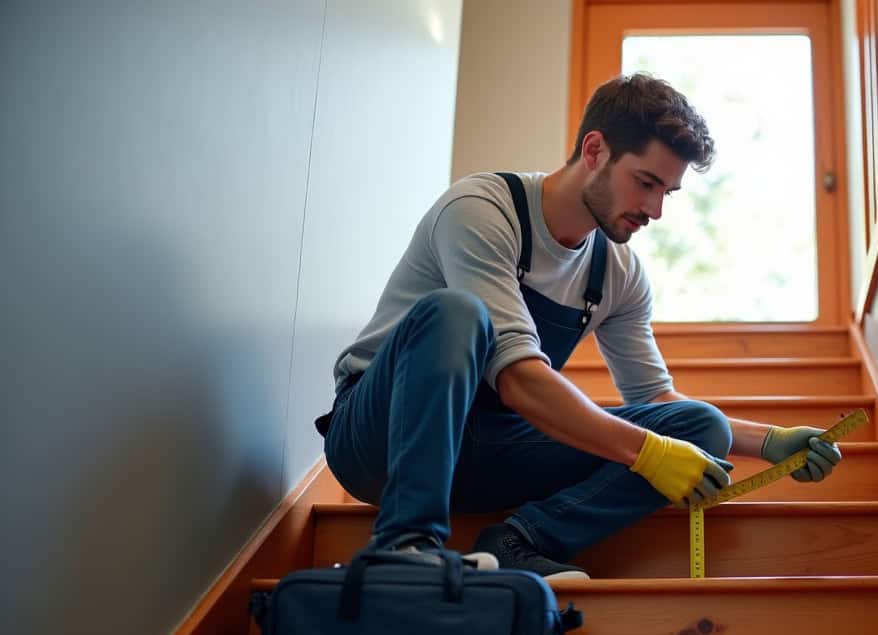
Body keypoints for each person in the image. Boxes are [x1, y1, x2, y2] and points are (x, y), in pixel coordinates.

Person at [317, 73, 843, 582]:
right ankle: (407, 549)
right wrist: (646, 452)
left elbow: (656, 400)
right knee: (457, 313)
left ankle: (521, 542)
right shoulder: (481, 210)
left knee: (699, 426)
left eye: (668, 193)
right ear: (594, 150)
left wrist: (767, 440)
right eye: (646, 182)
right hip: (380, 439)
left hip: (485, 452)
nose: (656, 210)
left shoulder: (618, 272)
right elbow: (519, 380)